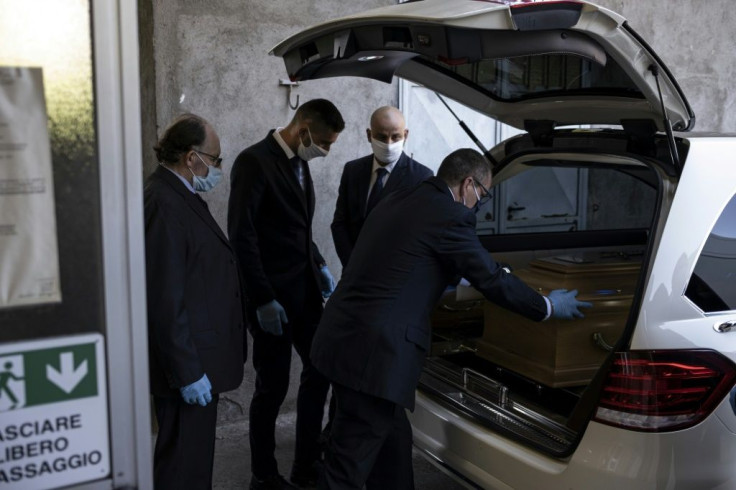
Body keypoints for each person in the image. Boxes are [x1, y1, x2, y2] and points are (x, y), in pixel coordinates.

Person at [311, 149, 592, 489]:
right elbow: (490, 279)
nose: (480, 204)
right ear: (468, 185)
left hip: (344, 339)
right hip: (374, 356)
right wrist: (546, 306)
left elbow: (406, 257)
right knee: (346, 466)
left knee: (393, 447)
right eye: (483, 196)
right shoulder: (450, 214)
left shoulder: (402, 196)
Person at [227, 99, 345, 490]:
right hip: (272, 301)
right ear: (303, 129)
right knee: (272, 388)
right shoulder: (253, 162)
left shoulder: (300, 163)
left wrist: (319, 263)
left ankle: (306, 464)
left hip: (305, 291)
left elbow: (297, 226)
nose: (325, 151)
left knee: (321, 370)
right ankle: (263, 475)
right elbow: (243, 236)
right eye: (324, 142)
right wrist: (261, 298)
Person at [144, 113, 246, 490]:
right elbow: (164, 296)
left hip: (199, 359)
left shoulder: (181, 196)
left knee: (193, 462)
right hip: (186, 368)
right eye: (215, 159)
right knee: (182, 466)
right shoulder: (163, 203)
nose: (217, 168)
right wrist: (187, 371)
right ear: (191, 158)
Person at [331, 105, 433, 267]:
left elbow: (419, 235)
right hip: (353, 272)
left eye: (395, 137)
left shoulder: (421, 177)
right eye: (382, 137)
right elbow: (340, 223)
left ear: (406, 135)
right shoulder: (353, 170)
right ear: (369, 135)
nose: (389, 143)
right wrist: (352, 264)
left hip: (394, 277)